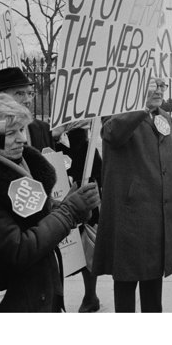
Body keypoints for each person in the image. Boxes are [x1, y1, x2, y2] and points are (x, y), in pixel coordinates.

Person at [0, 94, 100, 312]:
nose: (22, 138)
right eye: (11, 133)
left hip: (41, 293)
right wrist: (68, 212)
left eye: (22, 130)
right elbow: (19, 249)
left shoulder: (21, 165)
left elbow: (38, 215)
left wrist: (76, 207)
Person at [92, 78, 172, 313]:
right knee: (126, 277)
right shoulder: (115, 113)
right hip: (131, 213)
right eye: (153, 84)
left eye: (162, 85)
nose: (159, 90)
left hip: (159, 210)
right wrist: (141, 108)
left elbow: (171, 157)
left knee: (154, 276)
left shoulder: (164, 116)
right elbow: (112, 134)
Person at [53, 120, 102, 313]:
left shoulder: (87, 147)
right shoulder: (52, 139)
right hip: (62, 196)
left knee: (85, 247)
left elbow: (98, 173)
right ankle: (87, 295)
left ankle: (90, 295)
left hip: (83, 198)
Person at [0, 66, 55, 151]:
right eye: (20, 93)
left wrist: (59, 137)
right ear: (0, 96)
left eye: (30, 93)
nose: (28, 100)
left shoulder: (44, 128)